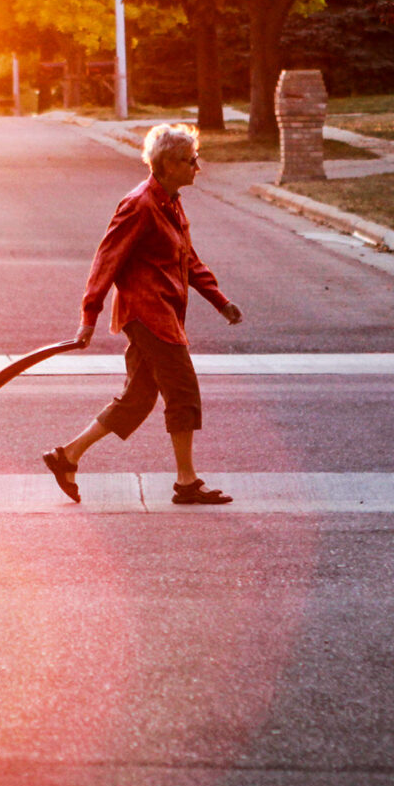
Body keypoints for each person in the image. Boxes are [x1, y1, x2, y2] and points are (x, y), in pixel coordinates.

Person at [42, 123, 244, 505]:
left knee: (138, 397)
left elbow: (188, 259)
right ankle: (187, 482)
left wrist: (219, 300)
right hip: (148, 314)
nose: (196, 167)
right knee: (183, 392)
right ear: (167, 164)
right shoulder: (140, 204)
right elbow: (106, 260)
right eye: (190, 161)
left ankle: (67, 455)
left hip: (162, 311)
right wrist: (89, 317)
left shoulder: (170, 200)